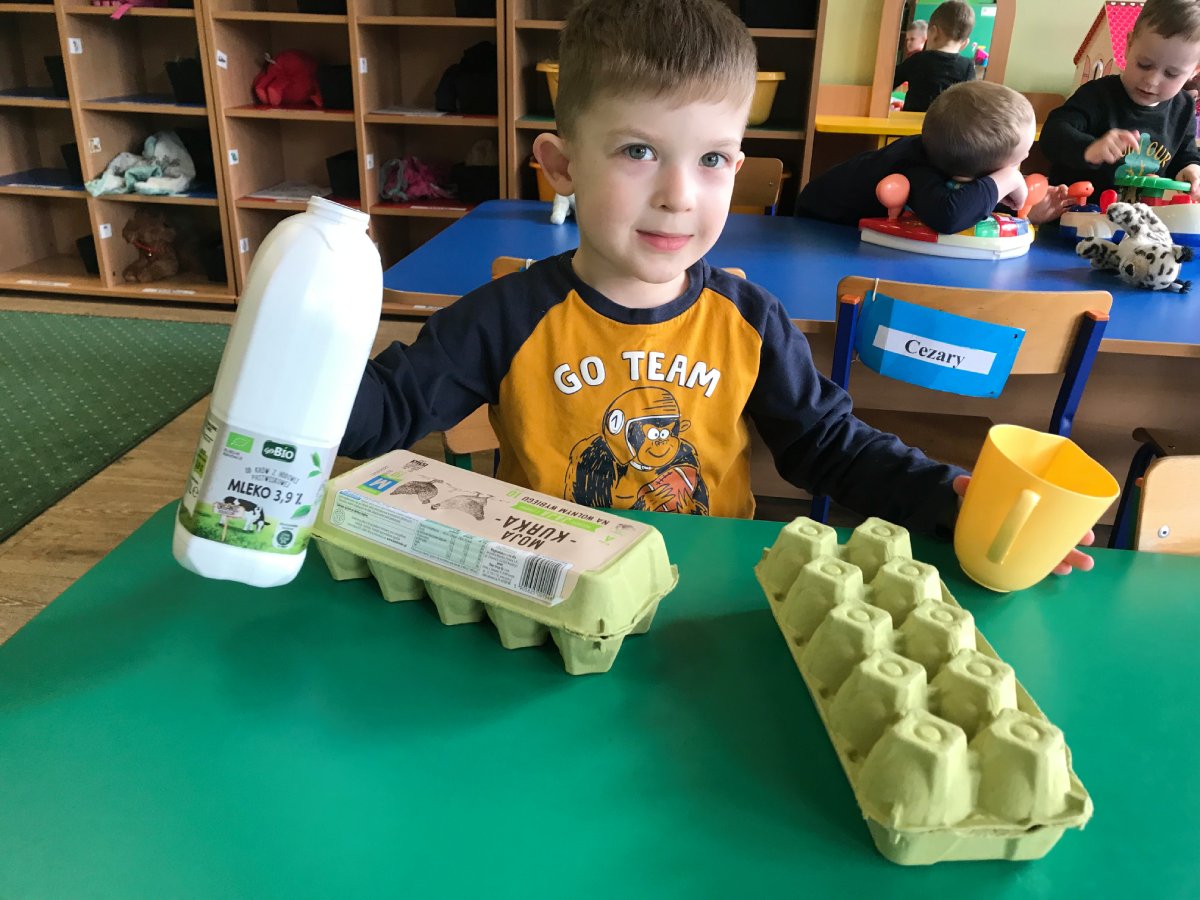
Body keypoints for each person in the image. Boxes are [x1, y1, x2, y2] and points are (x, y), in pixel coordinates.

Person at [338, 0, 1093, 572]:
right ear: (562, 166)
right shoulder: (504, 318)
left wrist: (947, 499)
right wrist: (300, 360)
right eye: (639, 151)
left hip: (697, 594)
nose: (679, 196)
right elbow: (382, 414)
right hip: (547, 591)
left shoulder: (749, 320)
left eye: (711, 160)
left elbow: (827, 446)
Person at [795, 81, 1071, 231]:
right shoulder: (917, 166)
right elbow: (949, 215)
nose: (1024, 161)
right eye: (1018, 159)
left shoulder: (951, 157)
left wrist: (1024, 211)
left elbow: (969, 195)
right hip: (819, 228)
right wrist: (1009, 179)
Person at [1041, 0, 1200, 199]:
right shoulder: (1097, 95)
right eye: (1144, 64)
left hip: (1139, 215)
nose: (1152, 80)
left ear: (1194, 71)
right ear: (1129, 45)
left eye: (1171, 74)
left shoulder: (1184, 109)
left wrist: (1191, 168)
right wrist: (1089, 149)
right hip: (1077, 211)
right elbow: (1052, 134)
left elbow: (1185, 154)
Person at [893, 0, 975, 113]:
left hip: (910, 122)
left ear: (933, 32)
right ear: (965, 43)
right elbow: (969, 102)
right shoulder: (967, 66)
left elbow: (889, 81)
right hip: (945, 123)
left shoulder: (917, 60)